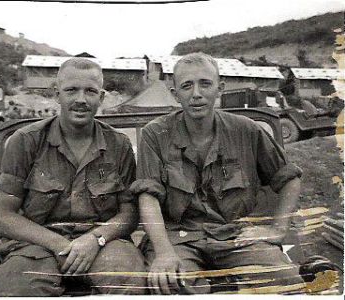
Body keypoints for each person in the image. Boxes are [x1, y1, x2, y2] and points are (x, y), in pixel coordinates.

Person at [131, 52, 305, 295]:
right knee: (169, 284)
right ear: (175, 94)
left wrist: (277, 229)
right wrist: (163, 252)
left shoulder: (246, 130)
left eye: (205, 83)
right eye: (186, 86)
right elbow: (147, 197)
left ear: (219, 88)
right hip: (178, 238)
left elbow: (289, 179)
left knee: (285, 279)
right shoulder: (156, 134)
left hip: (235, 236)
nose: (196, 94)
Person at [0, 58, 146, 296]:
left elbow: (129, 213)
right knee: (13, 287)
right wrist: (60, 245)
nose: (81, 99)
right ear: (56, 94)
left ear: (101, 98)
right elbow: (3, 216)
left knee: (129, 281)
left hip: (104, 244)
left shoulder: (118, 145)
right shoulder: (25, 141)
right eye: (71, 90)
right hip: (35, 245)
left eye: (90, 91)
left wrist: (94, 240)